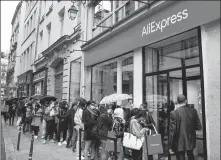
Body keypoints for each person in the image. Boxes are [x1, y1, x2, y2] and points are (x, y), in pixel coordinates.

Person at [169, 94, 202, 160]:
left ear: (177, 102)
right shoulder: (193, 111)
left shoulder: (174, 113)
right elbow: (199, 127)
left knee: (180, 157)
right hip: (190, 139)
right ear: (186, 101)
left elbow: (172, 131)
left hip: (179, 141)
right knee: (190, 155)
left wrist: (170, 146)